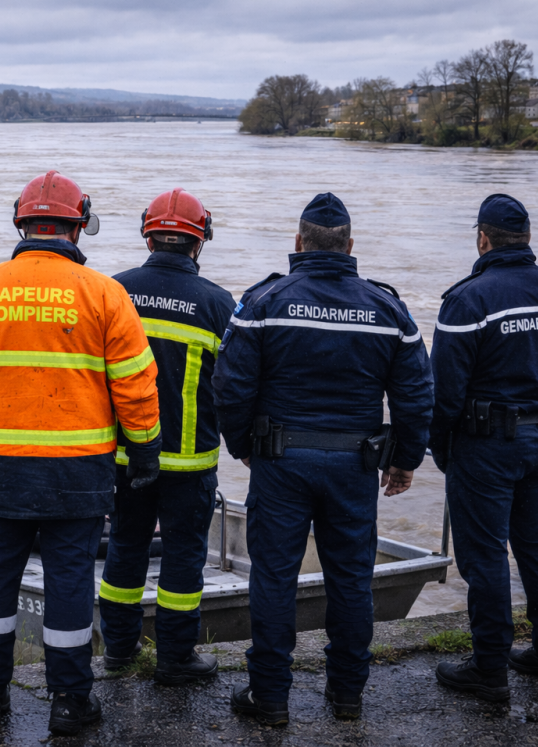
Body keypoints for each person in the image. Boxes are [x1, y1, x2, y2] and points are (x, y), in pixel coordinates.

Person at [0, 171, 161, 736]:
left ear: (22, 223)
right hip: (77, 472)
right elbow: (136, 384)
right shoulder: (106, 294)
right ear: (77, 226)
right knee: (69, 584)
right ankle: (69, 703)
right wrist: (146, 452)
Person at [214, 193, 434, 725]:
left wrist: (244, 446)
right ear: (350, 246)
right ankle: (347, 696)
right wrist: (405, 459)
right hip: (354, 469)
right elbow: (417, 394)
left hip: (282, 463)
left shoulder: (265, 302)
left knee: (273, 578)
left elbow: (230, 386)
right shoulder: (388, 309)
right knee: (351, 579)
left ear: (298, 243)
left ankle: (269, 698)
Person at [429, 193, 538, 701]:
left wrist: (441, 450)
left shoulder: (469, 299)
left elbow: (444, 395)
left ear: (482, 238)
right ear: (527, 238)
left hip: (485, 447)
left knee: (484, 556)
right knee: (534, 545)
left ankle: (489, 669)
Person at [98, 188, 237, 685]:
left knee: (125, 548)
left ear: (148, 234)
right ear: (199, 243)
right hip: (191, 462)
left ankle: (116, 650)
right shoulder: (221, 305)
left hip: (123, 456)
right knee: (183, 559)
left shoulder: (114, 292)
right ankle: (176, 658)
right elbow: (236, 387)